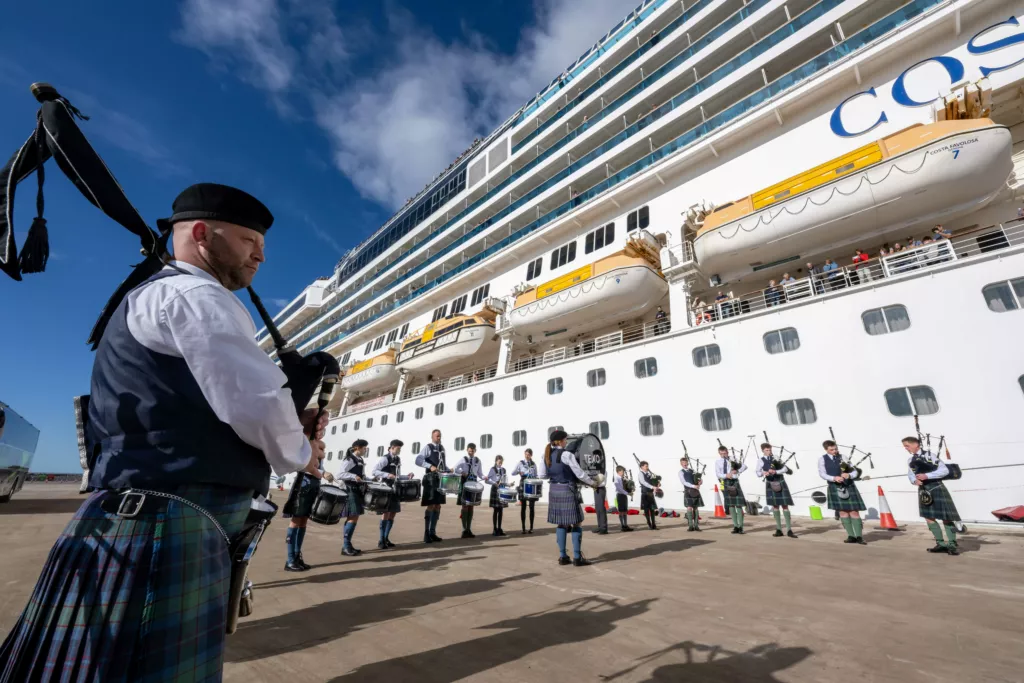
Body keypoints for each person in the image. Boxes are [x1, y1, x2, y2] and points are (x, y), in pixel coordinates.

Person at [0, 183, 326, 681]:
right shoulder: (196, 293)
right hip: (166, 522)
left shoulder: (155, 293)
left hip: (137, 515)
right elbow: (256, 402)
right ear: (201, 234)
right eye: (247, 240)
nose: (260, 254)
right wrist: (303, 451)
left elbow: (200, 407)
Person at [544, 430, 595, 566]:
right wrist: (592, 483)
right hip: (567, 489)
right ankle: (577, 558)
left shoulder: (546, 455)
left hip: (554, 490)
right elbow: (579, 473)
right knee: (576, 522)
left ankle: (563, 556)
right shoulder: (566, 454)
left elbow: (542, 475)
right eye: (565, 440)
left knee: (561, 523)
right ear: (560, 441)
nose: (566, 442)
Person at [904, 436, 960, 555]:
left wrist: (927, 476)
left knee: (946, 517)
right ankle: (940, 543)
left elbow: (945, 471)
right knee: (929, 517)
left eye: (907, 445)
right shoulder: (910, 460)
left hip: (936, 487)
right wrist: (914, 481)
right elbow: (910, 474)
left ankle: (952, 544)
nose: (905, 448)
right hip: (924, 489)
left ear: (916, 444)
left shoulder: (930, 456)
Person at [282, 451, 334, 571]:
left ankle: (296, 556)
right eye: (319, 431)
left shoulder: (317, 447)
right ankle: (290, 560)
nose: (321, 433)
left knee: (303, 521)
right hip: (303, 485)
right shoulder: (306, 446)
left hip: (313, 486)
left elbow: (318, 467)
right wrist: (323, 473)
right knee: (295, 520)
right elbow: (301, 466)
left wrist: (324, 472)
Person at [818, 440, 866, 544]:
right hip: (834, 486)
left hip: (848, 485)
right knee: (842, 512)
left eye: (835, 449)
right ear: (826, 449)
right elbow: (822, 474)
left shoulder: (843, 457)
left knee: (854, 511)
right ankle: (851, 536)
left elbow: (854, 471)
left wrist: (850, 475)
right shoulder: (822, 459)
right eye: (832, 450)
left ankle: (859, 537)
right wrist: (833, 478)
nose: (835, 451)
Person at [757, 443, 797, 538]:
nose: (769, 451)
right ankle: (779, 529)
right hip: (770, 483)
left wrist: (775, 471)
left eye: (770, 450)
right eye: (767, 450)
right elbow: (757, 473)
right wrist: (764, 473)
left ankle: (789, 530)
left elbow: (785, 469)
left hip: (780, 481)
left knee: (785, 506)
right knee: (775, 506)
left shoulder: (776, 457)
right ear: (763, 450)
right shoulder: (760, 460)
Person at [371, 438, 405, 550]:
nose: (399, 451)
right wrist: (387, 475)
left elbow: (397, 475)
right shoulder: (385, 458)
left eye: (400, 449)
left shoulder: (397, 459)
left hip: (395, 489)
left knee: (393, 512)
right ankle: (381, 540)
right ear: (392, 448)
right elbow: (374, 471)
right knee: (385, 513)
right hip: (386, 488)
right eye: (398, 448)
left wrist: (406, 476)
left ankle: (386, 538)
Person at [337, 439, 369, 556]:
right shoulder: (349, 459)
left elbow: (361, 476)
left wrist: (370, 479)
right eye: (364, 448)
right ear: (357, 448)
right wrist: (353, 476)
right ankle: (346, 546)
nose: (365, 450)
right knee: (352, 517)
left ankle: (347, 545)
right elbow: (340, 474)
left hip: (357, 490)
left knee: (354, 517)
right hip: (350, 490)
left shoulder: (360, 460)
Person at [416, 429, 447, 543]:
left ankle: (433, 532)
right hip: (430, 479)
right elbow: (418, 460)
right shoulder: (428, 447)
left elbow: (442, 464)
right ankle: (426, 533)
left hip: (440, 479)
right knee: (431, 505)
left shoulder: (442, 448)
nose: (439, 438)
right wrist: (429, 466)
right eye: (437, 436)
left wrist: (448, 469)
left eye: (440, 436)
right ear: (432, 437)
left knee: (438, 505)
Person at [715, 445, 747, 533]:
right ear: (719, 453)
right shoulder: (718, 462)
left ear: (727, 452)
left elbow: (744, 466)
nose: (723, 455)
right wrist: (726, 475)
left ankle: (741, 527)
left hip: (735, 481)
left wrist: (737, 471)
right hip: (726, 482)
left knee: (738, 505)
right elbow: (718, 474)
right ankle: (735, 526)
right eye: (721, 454)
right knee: (731, 505)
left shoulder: (733, 459)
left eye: (725, 453)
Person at [455, 443, 484, 538]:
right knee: (465, 506)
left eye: (473, 451)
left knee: (471, 506)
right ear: (467, 450)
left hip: (474, 483)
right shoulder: (464, 459)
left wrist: (485, 477)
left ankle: (469, 529)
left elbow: (480, 473)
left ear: (475, 451)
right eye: (470, 451)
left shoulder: (478, 461)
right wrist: (462, 472)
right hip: (465, 483)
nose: (471, 452)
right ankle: (464, 530)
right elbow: (456, 468)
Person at [513, 448, 538, 534]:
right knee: (523, 507)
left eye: (529, 454)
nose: (527, 456)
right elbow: (513, 472)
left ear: (531, 455)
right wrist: (519, 472)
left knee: (532, 507)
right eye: (526, 454)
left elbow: (536, 474)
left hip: (531, 484)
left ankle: (531, 527)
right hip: (523, 483)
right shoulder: (521, 463)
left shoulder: (533, 464)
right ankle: (523, 527)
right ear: (524, 454)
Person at [486, 455, 509, 537]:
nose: (500, 463)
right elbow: (487, 480)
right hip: (495, 490)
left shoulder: (504, 470)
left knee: (501, 510)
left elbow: (504, 480)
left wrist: (508, 485)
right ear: (496, 461)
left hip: (502, 489)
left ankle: (499, 528)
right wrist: (495, 483)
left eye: (501, 462)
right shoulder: (493, 469)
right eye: (499, 462)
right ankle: (494, 529)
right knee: (496, 510)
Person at [678, 456, 703, 532]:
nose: (685, 464)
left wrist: (700, 481)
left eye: (685, 462)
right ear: (681, 464)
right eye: (683, 463)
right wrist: (693, 486)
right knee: (689, 507)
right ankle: (690, 526)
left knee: (696, 508)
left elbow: (698, 478)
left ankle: (696, 526)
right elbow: (684, 482)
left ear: (687, 463)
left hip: (695, 490)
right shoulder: (681, 472)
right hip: (688, 490)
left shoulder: (692, 470)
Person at [591, 448, 609, 534]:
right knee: (597, 508)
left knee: (601, 508)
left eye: (595, 456)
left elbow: (602, 479)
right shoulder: (596, 465)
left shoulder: (602, 466)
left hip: (601, 488)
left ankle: (604, 528)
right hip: (596, 488)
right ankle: (600, 526)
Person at [637, 460, 660, 530]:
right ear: (641, 467)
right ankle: (649, 524)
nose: (647, 467)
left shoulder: (650, 474)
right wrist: (652, 487)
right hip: (645, 494)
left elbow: (653, 481)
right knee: (646, 510)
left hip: (650, 493)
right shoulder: (640, 474)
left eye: (647, 466)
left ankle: (654, 525)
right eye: (646, 466)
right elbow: (643, 482)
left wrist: (657, 484)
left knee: (652, 510)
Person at [612, 465, 634, 532]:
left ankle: (625, 525)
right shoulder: (617, 478)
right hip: (620, 495)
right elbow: (619, 489)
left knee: (625, 511)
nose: (623, 473)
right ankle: (622, 526)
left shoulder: (622, 478)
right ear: (618, 471)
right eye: (622, 471)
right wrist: (628, 493)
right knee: (621, 511)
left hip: (624, 495)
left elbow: (625, 487)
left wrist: (630, 488)